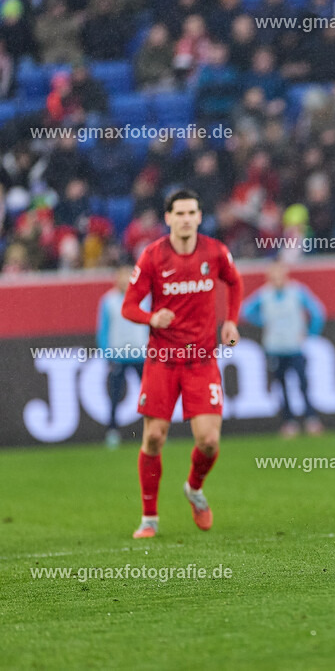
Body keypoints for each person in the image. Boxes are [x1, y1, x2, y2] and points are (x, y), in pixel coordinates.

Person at [121, 189, 242, 539]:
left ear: (200, 217)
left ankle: (194, 488)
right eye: (180, 213)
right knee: (155, 437)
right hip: (162, 359)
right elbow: (128, 306)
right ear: (169, 218)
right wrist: (151, 318)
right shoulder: (152, 256)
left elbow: (235, 282)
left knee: (209, 442)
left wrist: (230, 321)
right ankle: (149, 518)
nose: (187, 218)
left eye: (192, 212)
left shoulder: (215, 251)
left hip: (202, 360)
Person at [241, 260, 326, 438]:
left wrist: (310, 333)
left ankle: (311, 419)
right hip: (274, 347)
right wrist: (264, 321)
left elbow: (318, 312)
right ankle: (289, 422)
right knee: (281, 386)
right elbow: (246, 311)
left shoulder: (297, 291)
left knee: (303, 384)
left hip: (295, 347)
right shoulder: (264, 294)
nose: (277, 279)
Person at [97, 265, 149, 448]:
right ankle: (112, 431)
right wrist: (107, 355)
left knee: (150, 395)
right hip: (118, 356)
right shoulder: (108, 301)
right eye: (122, 277)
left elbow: (152, 326)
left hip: (141, 355)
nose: (125, 281)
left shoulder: (145, 298)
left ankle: (153, 432)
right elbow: (103, 331)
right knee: (115, 396)